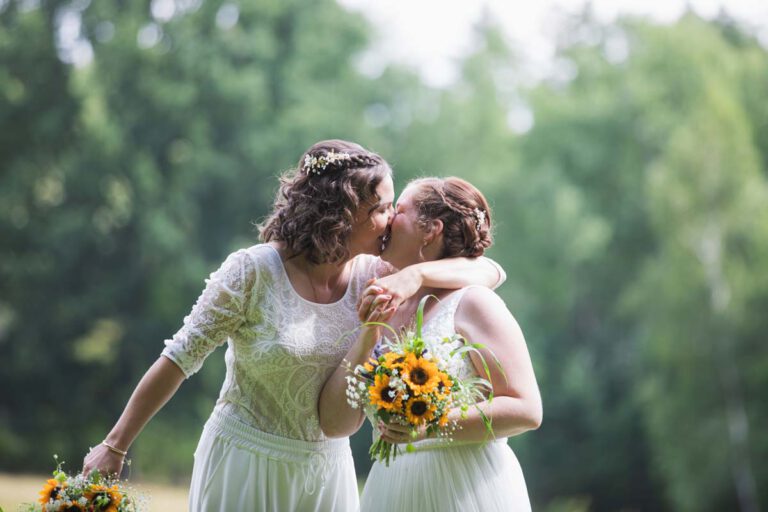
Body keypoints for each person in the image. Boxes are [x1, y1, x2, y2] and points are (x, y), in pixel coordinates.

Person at [82, 141, 505, 512]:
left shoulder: (375, 273)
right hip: (246, 463)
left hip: (330, 473)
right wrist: (115, 445)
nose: (392, 218)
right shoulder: (253, 272)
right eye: (380, 208)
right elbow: (178, 358)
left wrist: (417, 276)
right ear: (341, 215)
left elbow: (488, 270)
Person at [319, 176, 542, 512]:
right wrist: (370, 331)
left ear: (431, 230)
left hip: (463, 487)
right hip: (390, 487)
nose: (389, 217)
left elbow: (527, 410)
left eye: (401, 210)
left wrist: (430, 424)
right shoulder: (382, 301)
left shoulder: (473, 303)